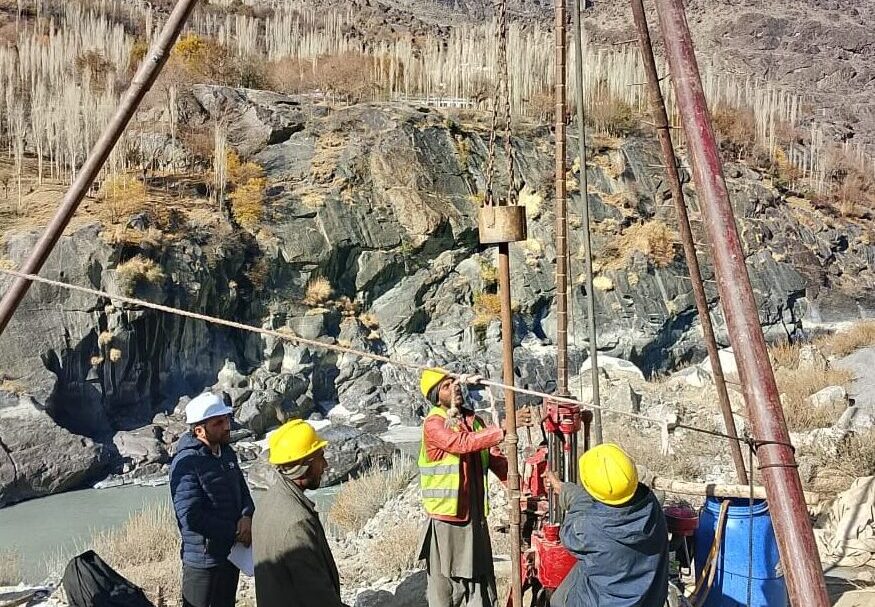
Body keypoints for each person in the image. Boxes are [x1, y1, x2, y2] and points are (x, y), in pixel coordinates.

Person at [417, 368, 529, 607]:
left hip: (474, 517)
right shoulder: (434, 425)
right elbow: (460, 444)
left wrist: (521, 487)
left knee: (479, 580)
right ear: (437, 397)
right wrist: (505, 428)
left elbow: (495, 459)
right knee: (447, 586)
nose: (455, 387)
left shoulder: (473, 422)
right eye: (447, 386)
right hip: (448, 519)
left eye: (455, 382)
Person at [544, 443, 669, 607]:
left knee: (557, 601)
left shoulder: (585, 529)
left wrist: (565, 490)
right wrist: (567, 490)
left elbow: (570, 532)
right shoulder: (650, 504)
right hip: (650, 599)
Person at [169, 392, 255, 607]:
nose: (226, 426)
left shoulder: (227, 453)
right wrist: (234, 532)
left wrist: (246, 515)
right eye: (218, 422)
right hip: (203, 562)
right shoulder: (187, 463)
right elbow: (191, 517)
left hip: (231, 554)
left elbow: (243, 492)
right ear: (199, 430)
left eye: (226, 419)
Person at [252, 419, 348, 607]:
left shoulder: (268, 500)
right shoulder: (297, 523)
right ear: (304, 464)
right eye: (321, 457)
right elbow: (318, 597)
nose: (326, 465)